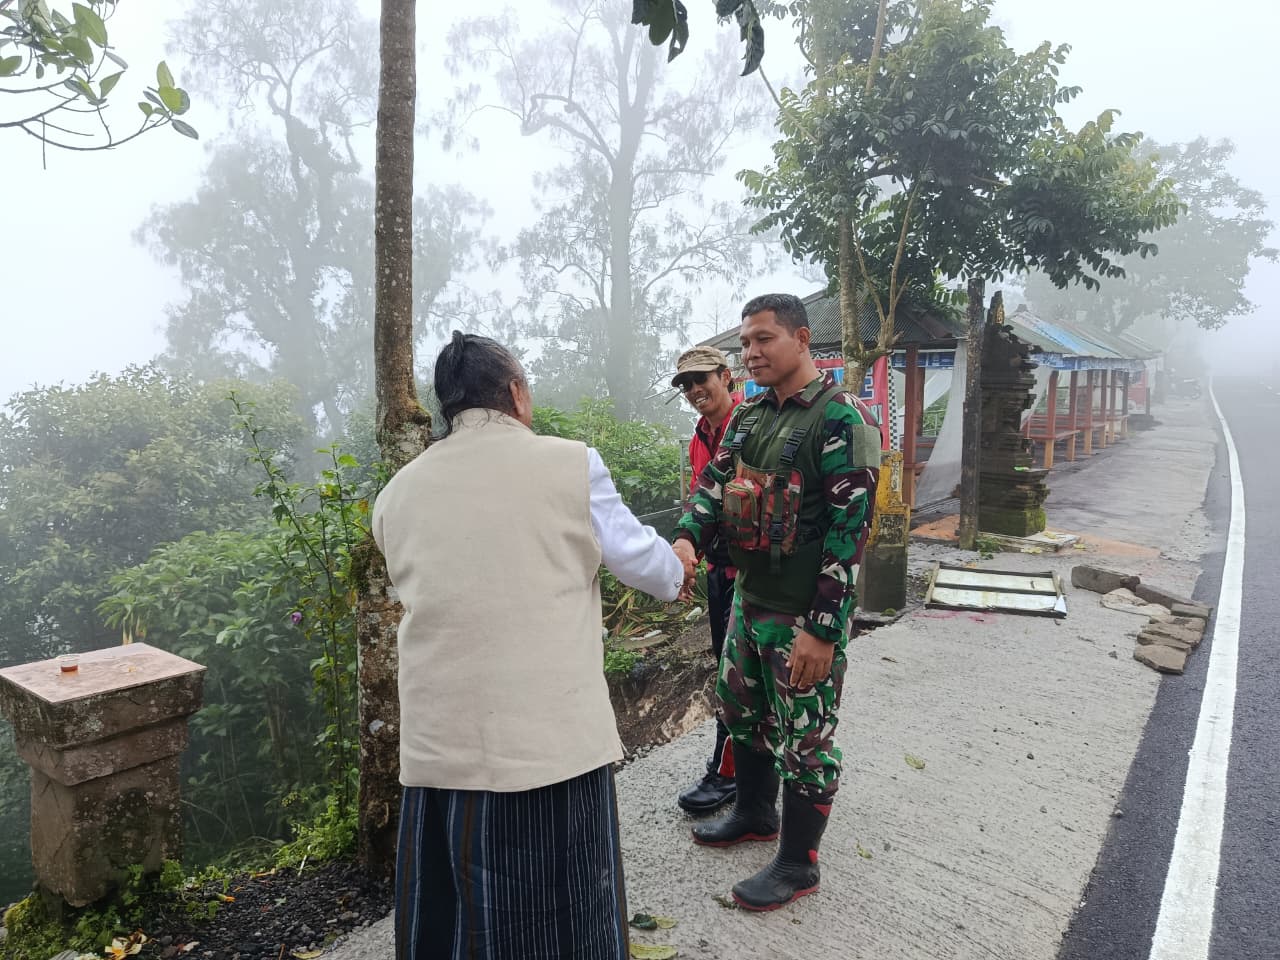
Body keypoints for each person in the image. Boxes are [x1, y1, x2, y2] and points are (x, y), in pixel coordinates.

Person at [372, 332, 691, 960]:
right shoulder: (569, 464)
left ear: (449, 406)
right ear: (517, 394)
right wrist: (678, 563)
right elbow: (647, 569)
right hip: (549, 751)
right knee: (561, 917)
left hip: (441, 755)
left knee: (455, 914)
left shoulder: (396, 494)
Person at [672, 293, 881, 911]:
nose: (751, 352)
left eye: (763, 339)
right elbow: (714, 487)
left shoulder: (844, 418)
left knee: (807, 739)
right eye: (744, 342)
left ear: (801, 338)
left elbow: (849, 536)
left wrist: (823, 627)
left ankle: (797, 864)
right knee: (743, 713)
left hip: (802, 615)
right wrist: (686, 539)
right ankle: (756, 814)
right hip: (749, 598)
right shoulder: (749, 417)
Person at [670, 345, 741, 815]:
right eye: (687, 385)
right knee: (726, 670)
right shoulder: (700, 435)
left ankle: (730, 774)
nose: (696, 390)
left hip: (752, 573)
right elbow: (701, 499)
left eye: (703, 379)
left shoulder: (751, 424)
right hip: (718, 569)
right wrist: (689, 554)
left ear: (726, 375)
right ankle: (736, 768)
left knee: (740, 676)